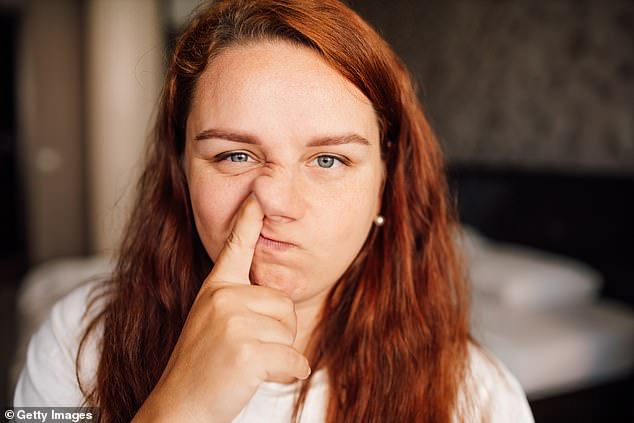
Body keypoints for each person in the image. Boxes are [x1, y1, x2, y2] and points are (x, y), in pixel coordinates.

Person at [14, 0, 534, 422]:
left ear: (383, 184)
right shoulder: (77, 338)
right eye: (234, 155)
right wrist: (179, 409)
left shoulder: (475, 398)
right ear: (182, 172)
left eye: (328, 159)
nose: (276, 202)